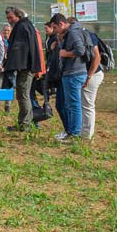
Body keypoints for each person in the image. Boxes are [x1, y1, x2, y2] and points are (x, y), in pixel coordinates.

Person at [48, 13, 89, 141]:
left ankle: (74, 133)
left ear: (61, 24)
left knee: (73, 104)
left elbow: (80, 50)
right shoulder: (68, 34)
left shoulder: (73, 33)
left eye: (55, 28)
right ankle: (71, 131)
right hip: (71, 73)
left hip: (74, 73)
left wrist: (65, 53)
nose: (54, 31)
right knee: (71, 104)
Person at [3, 6, 42, 131]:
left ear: (18, 16)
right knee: (22, 94)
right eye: (8, 18)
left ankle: (25, 124)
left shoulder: (22, 27)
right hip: (26, 67)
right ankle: (24, 122)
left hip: (25, 68)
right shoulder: (26, 25)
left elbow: (20, 49)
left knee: (23, 94)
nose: (9, 20)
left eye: (11, 17)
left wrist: (13, 65)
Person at [81, 28, 104, 140]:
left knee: (87, 105)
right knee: (83, 105)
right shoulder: (87, 35)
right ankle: (83, 131)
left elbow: (97, 57)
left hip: (93, 75)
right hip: (90, 74)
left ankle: (87, 135)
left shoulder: (87, 36)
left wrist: (89, 76)